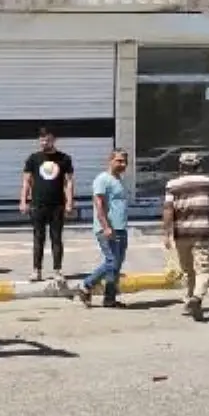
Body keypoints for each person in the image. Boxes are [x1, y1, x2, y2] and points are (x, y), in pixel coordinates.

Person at [163, 152, 209, 321]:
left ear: (180, 167)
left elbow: (168, 210)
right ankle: (197, 298)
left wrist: (167, 233)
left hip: (182, 234)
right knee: (204, 269)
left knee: (188, 270)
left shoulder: (172, 185)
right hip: (202, 233)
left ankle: (188, 300)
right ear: (199, 166)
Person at [76, 149, 130, 308]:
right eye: (119, 161)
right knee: (112, 262)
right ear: (110, 161)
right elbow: (98, 204)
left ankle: (110, 299)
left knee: (116, 265)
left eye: (125, 162)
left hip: (121, 228)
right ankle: (86, 284)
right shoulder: (102, 179)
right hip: (107, 228)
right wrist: (106, 226)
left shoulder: (119, 179)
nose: (123, 164)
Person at [20, 128, 75, 282]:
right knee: (38, 238)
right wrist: (23, 201)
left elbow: (68, 183)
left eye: (48, 140)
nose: (44, 143)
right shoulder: (33, 158)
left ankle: (57, 270)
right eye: (42, 140)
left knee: (56, 238)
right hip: (38, 204)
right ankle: (36, 270)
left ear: (54, 140)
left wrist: (69, 203)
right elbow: (26, 181)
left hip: (57, 205)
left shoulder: (64, 159)